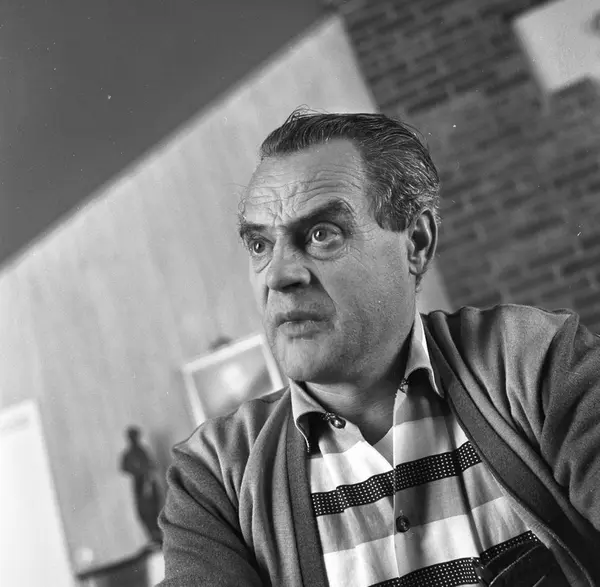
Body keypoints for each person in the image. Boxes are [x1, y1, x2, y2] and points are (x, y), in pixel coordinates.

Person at [158, 110, 600, 586]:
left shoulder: (535, 361)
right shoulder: (216, 474)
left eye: (321, 234)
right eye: (260, 245)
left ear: (416, 243)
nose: (280, 276)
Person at [120, 426, 164, 544]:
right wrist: (137, 471)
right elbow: (124, 468)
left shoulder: (141, 451)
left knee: (152, 507)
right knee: (145, 509)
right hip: (141, 483)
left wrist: (145, 472)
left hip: (146, 482)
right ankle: (154, 535)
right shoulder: (130, 453)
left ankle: (157, 534)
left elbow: (152, 465)